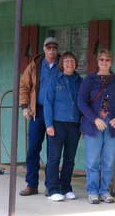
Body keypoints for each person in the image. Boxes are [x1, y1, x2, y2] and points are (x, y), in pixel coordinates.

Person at [77, 49, 115, 204]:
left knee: (108, 160)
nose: (104, 62)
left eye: (107, 60)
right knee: (93, 160)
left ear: (111, 62)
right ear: (97, 61)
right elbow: (81, 102)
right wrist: (94, 119)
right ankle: (93, 191)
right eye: (101, 59)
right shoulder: (89, 80)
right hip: (93, 125)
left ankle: (104, 191)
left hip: (112, 125)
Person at [19, 36, 60, 196]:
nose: (51, 50)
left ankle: (50, 186)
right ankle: (32, 184)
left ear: (57, 50)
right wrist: (24, 106)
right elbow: (24, 85)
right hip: (38, 112)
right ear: (44, 49)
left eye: (54, 48)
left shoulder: (62, 65)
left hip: (55, 115)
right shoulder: (35, 65)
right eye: (48, 47)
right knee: (33, 149)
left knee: (53, 152)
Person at [44, 52, 82, 202]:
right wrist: (49, 124)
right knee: (54, 158)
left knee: (70, 159)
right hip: (57, 124)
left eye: (72, 61)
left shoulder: (80, 81)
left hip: (74, 124)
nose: (69, 64)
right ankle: (53, 189)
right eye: (66, 61)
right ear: (62, 64)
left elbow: (84, 103)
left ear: (76, 64)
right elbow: (48, 103)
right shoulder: (54, 80)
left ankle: (66, 187)